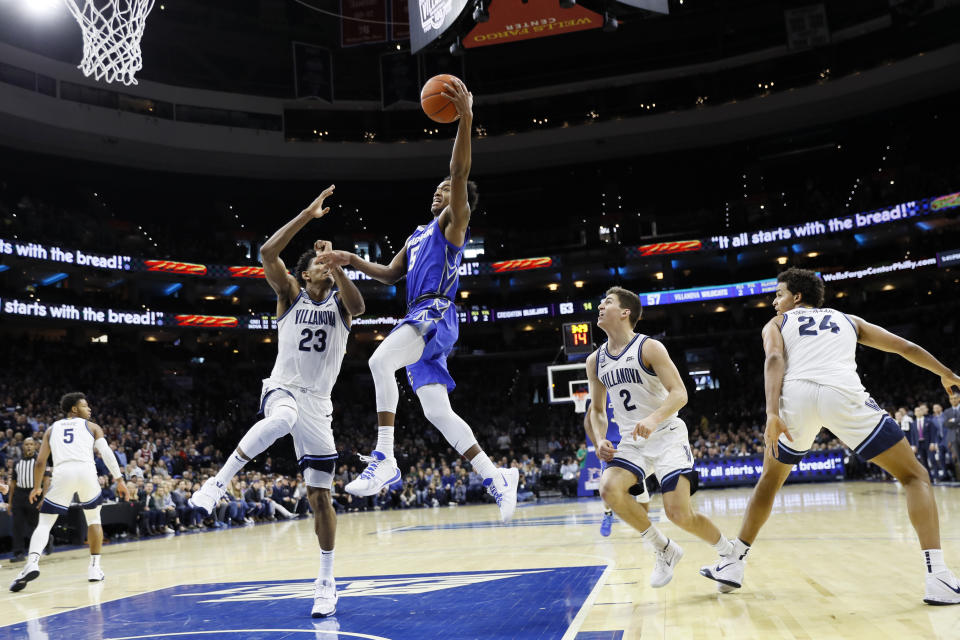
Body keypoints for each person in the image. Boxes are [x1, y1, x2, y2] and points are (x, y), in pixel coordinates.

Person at [317, 78, 518, 521]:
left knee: (378, 362)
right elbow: (390, 275)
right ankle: (496, 475)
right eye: (439, 187)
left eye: (446, 189)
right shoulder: (417, 233)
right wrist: (351, 259)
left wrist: (466, 118)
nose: (439, 190)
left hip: (436, 311)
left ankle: (385, 458)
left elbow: (462, 172)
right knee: (436, 411)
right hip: (417, 314)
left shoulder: (454, 227)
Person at [699, 267, 960, 605]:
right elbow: (905, 347)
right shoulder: (849, 319)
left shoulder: (778, 324)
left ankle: (733, 563)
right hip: (843, 394)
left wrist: (772, 413)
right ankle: (938, 576)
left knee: (770, 480)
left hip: (797, 398)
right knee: (914, 476)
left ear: (797, 297)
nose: (774, 303)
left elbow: (775, 357)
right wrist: (947, 373)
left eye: (778, 295)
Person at [188, 186, 363, 618]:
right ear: (304, 275)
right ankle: (217, 483)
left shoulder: (341, 304)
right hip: (283, 388)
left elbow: (358, 305)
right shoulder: (289, 294)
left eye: (328, 263)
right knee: (282, 417)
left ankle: (326, 583)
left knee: (321, 497)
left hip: (320, 406)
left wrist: (338, 263)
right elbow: (267, 252)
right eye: (317, 264)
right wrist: (307, 214)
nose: (323, 266)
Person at [585, 286, 732, 589]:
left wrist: (653, 418)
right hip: (632, 441)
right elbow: (597, 410)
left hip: (666, 434)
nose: (600, 306)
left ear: (625, 312)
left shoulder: (649, 348)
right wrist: (599, 439)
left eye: (607, 302)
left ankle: (729, 554)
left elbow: (680, 393)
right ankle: (663, 549)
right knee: (609, 489)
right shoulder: (594, 361)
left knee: (678, 512)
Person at [9, 392, 128, 592]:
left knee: (45, 522)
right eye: (85, 406)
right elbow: (107, 453)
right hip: (86, 472)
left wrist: (37, 487)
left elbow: (40, 462)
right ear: (74, 408)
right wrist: (119, 480)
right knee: (94, 520)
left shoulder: (51, 429)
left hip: (62, 472)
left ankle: (32, 563)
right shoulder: (92, 427)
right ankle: (94, 568)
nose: (89, 409)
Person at [8, 437, 45, 563]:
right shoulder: (17, 462)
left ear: (35, 446)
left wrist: (43, 499)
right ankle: (19, 553)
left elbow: (46, 481)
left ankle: (48, 539)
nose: (29, 446)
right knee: (17, 525)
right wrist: (10, 502)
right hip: (19, 494)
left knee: (34, 525)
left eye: (31, 444)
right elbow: (12, 483)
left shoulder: (40, 461)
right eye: (26, 444)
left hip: (34, 494)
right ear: (22, 446)